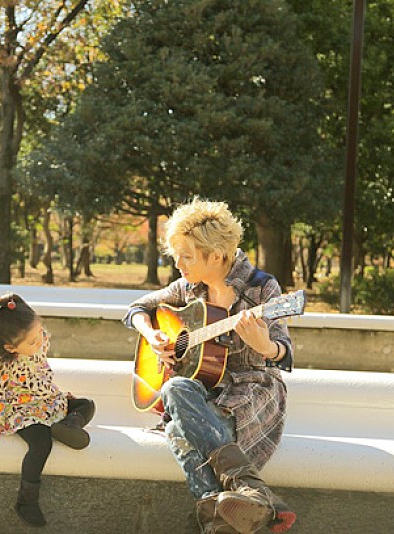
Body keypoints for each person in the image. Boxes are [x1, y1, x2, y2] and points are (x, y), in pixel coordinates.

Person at [123, 198, 296, 534]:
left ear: (215, 254)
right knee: (174, 386)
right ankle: (250, 492)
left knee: (176, 429)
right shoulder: (188, 287)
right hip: (203, 395)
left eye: (187, 256)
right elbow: (136, 309)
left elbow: (284, 353)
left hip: (251, 392)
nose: (178, 263)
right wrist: (153, 334)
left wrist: (265, 346)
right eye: (176, 254)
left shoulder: (261, 288)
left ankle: (217, 518)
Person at [0, 293, 96, 527]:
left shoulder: (38, 343)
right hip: (23, 413)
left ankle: (68, 425)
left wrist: (58, 395)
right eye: (32, 342)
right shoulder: (2, 364)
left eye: (40, 333)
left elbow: (41, 375)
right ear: (10, 347)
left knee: (86, 404)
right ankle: (26, 501)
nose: (39, 342)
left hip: (49, 404)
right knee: (41, 443)